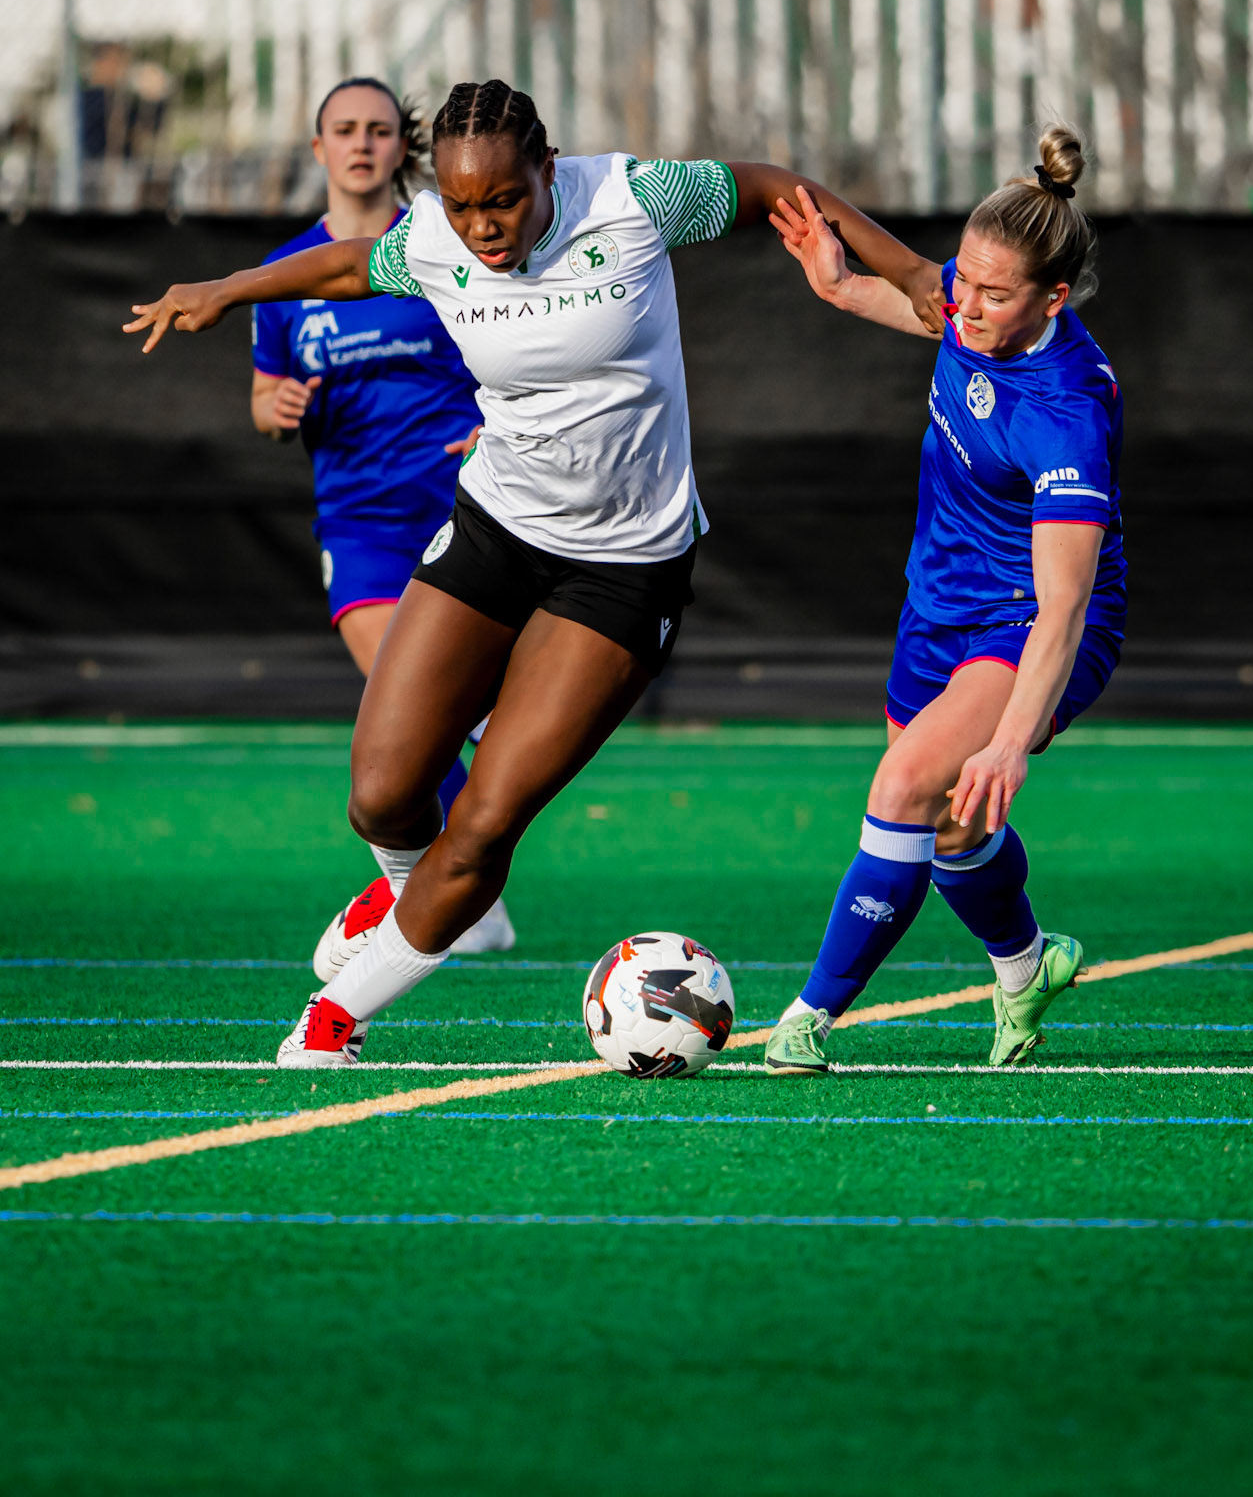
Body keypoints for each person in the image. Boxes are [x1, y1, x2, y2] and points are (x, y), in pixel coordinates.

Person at [124, 77, 945, 1067]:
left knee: (482, 825)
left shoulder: (634, 198)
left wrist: (907, 270)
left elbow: (777, 182)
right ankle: (412, 896)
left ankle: (335, 1018)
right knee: (383, 794)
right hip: (495, 530)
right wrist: (223, 288)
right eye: (465, 206)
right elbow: (347, 267)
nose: (483, 227)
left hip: (626, 568)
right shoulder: (433, 237)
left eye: (504, 200)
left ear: (547, 170)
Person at [762, 125, 1125, 1073]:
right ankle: (1027, 965)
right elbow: (923, 302)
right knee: (954, 827)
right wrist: (838, 282)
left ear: (1050, 298)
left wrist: (1010, 740)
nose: (963, 302)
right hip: (937, 607)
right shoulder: (970, 307)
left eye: (992, 293)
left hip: (1031, 621)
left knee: (904, 787)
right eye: (961, 276)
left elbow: (1063, 609)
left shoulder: (1065, 414)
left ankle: (805, 1019)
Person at [249, 76, 514, 966]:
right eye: (341, 130)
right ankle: (453, 894)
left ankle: (462, 891)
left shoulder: (441, 246)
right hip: (357, 523)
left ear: (400, 148)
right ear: (318, 148)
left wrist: (496, 422)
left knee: (440, 706)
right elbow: (260, 394)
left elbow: (510, 348)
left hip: (460, 509)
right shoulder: (287, 274)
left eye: (376, 130)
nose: (360, 144)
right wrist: (275, 404)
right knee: (402, 700)